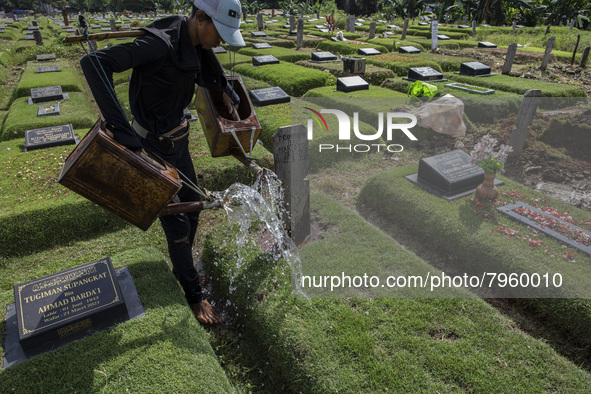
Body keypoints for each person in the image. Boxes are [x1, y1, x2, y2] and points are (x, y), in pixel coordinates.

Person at [80, 0, 246, 324]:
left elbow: (205, 61)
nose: (222, 42)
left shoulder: (195, 40)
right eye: (220, 33)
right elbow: (94, 63)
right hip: (151, 147)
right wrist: (123, 131)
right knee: (178, 224)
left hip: (179, 141)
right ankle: (194, 296)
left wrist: (224, 88)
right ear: (200, 17)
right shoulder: (158, 44)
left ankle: (183, 268)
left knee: (194, 208)